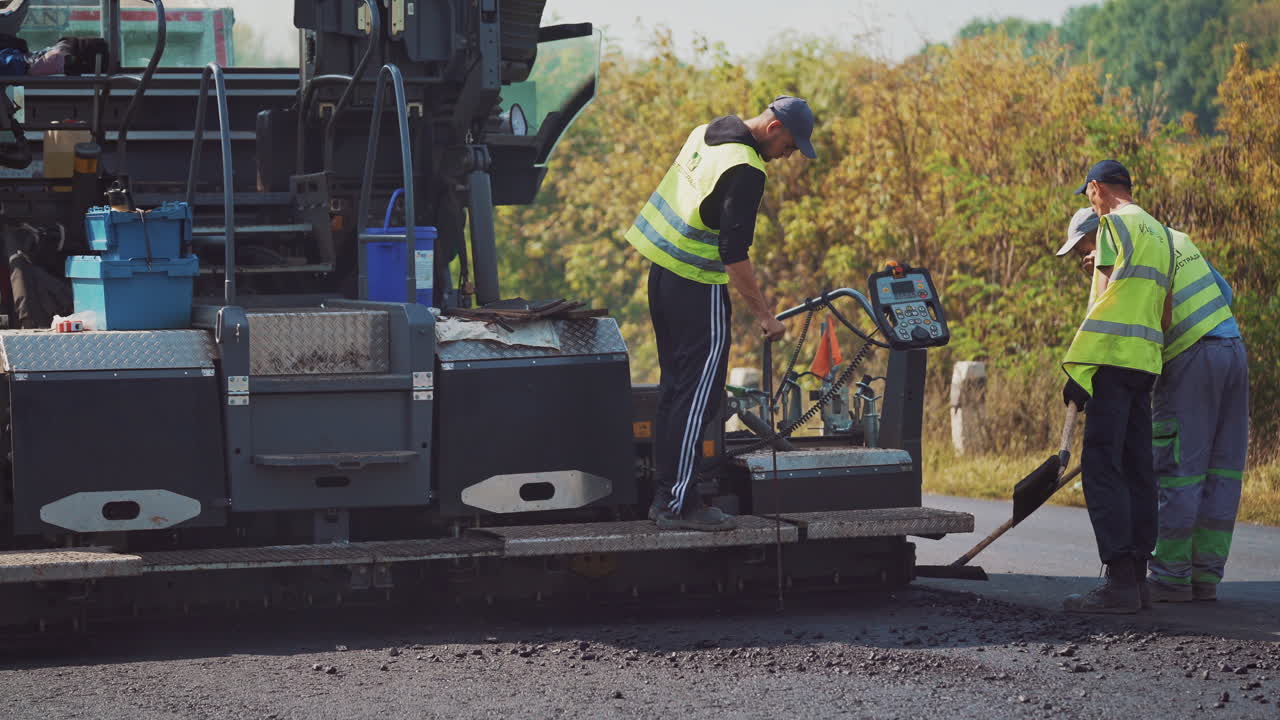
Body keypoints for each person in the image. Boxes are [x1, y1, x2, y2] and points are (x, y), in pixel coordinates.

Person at [624, 96, 816, 531]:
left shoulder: (706, 133)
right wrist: (765, 316)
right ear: (773, 129)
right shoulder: (746, 168)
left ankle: (669, 496)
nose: (787, 156)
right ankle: (677, 504)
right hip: (697, 284)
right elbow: (734, 253)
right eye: (789, 146)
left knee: (676, 392)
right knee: (697, 397)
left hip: (662, 277)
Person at [1056, 159, 1175, 614]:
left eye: (1087, 194)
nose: (1090, 201)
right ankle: (1139, 582)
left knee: (1103, 469)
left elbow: (1100, 304)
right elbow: (1162, 314)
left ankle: (1120, 584)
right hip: (1145, 365)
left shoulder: (1111, 227)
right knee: (1137, 467)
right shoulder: (1162, 235)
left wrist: (1079, 373)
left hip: (1109, 362)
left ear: (1096, 189)